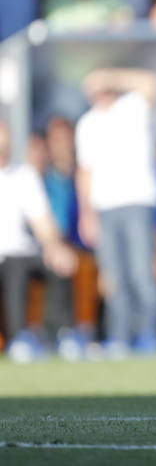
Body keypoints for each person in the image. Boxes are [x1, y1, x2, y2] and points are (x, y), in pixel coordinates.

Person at [75, 68, 156, 357]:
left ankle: (148, 333)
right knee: (113, 276)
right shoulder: (86, 123)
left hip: (137, 199)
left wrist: (110, 76)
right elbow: (84, 171)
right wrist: (86, 214)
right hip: (103, 206)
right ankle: (119, 337)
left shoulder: (132, 106)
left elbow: (150, 83)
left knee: (140, 271)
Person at [0, 122, 77, 363]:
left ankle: (62, 334)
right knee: (14, 268)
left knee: (58, 263)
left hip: (21, 252)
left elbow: (42, 222)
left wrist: (55, 247)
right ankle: (18, 337)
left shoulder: (23, 175)